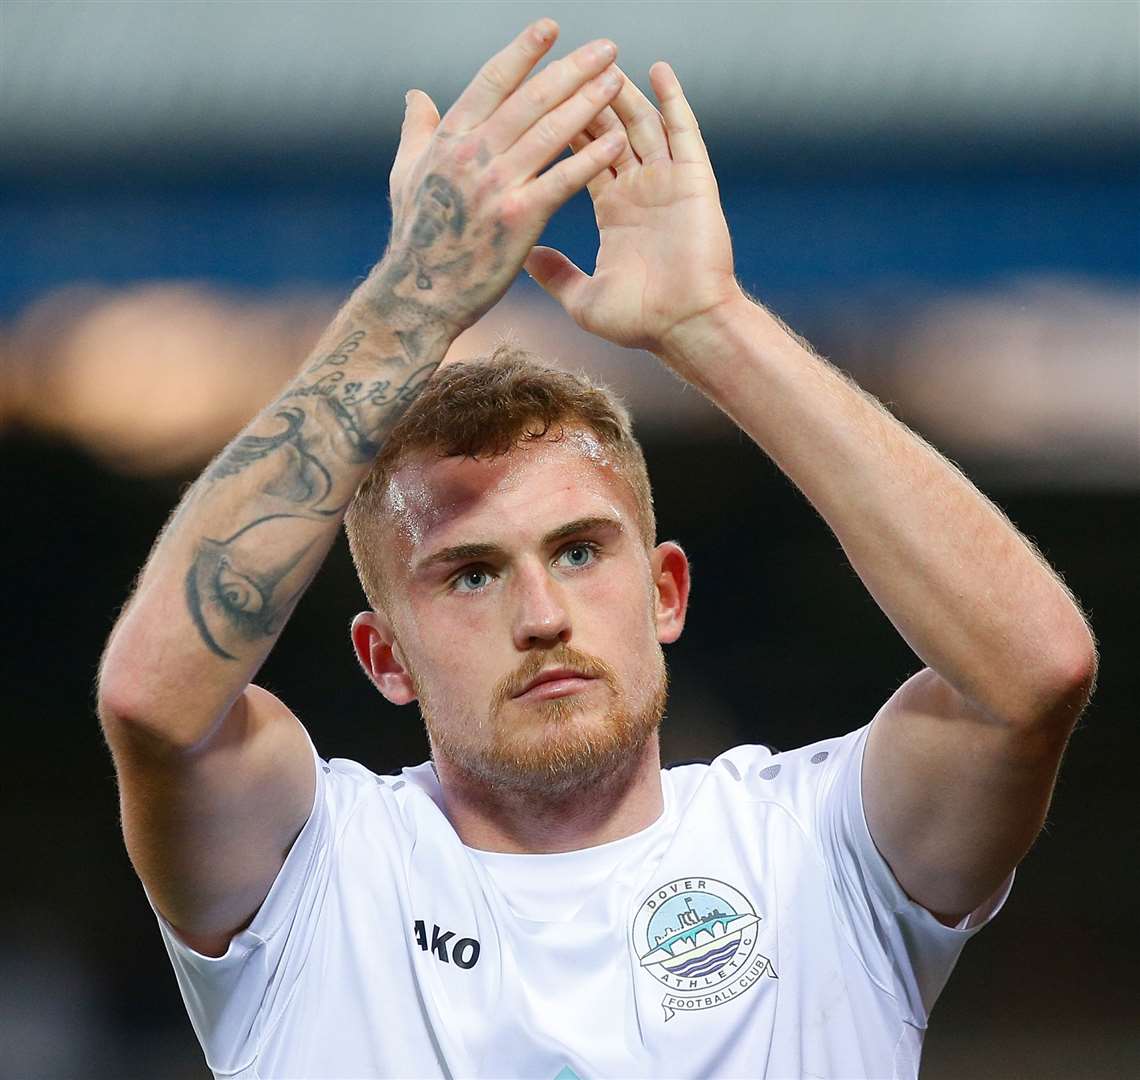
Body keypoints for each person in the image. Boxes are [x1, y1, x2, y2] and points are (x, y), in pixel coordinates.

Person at [97, 19, 1097, 1080]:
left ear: (665, 590)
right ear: (383, 657)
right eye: (470, 573)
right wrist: (413, 302)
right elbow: (155, 704)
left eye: (580, 552)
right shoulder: (315, 874)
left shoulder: (821, 849)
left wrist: (711, 323)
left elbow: (1034, 677)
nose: (541, 614)